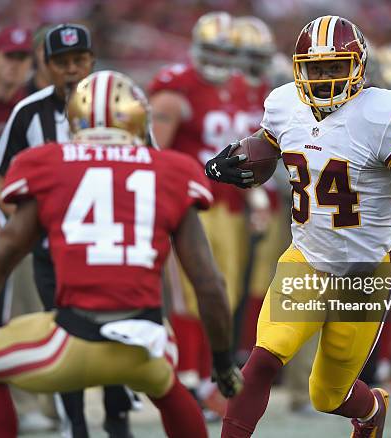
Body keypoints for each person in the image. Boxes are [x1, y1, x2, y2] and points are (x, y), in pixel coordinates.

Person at [205, 16, 391, 438]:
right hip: (305, 257)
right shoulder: (285, 102)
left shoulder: (381, 114)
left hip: (365, 272)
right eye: (315, 68)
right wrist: (232, 157)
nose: (323, 79)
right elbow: (267, 145)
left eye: (334, 67)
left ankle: (372, 408)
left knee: (327, 394)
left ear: (357, 67)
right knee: (264, 358)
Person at [0, 70, 243, 438]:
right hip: (145, 343)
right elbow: (209, 285)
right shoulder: (172, 169)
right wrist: (222, 363)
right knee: (166, 384)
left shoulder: (47, 162)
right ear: (140, 119)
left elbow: (4, 255)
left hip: (74, 339)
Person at [0, 24, 136, 437]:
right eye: (62, 62)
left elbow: (152, 168)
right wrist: (29, 227)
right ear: (46, 65)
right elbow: (2, 183)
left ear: (91, 61)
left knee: (115, 331)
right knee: (67, 336)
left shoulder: (125, 104)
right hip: (52, 250)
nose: (71, 70)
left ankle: (116, 415)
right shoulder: (29, 112)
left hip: (110, 246)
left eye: (78, 60)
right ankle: (76, 424)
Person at [148, 12, 253, 412]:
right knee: (193, 295)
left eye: (227, 51)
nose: (220, 59)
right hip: (193, 206)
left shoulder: (243, 87)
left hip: (233, 205)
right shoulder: (177, 86)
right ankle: (191, 381)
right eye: (213, 50)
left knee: (224, 295)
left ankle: (212, 378)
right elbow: (154, 147)